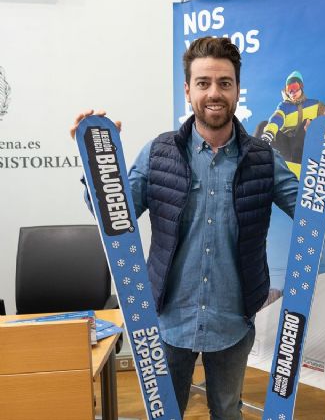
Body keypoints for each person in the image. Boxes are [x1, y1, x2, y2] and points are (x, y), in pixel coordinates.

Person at [70, 37, 298, 420]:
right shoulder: (158, 153)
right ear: (188, 90)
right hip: (167, 322)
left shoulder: (263, 159)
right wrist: (97, 164)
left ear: (237, 90)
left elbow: (313, 211)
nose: (214, 93)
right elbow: (114, 215)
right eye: (203, 83)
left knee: (227, 411)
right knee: (166, 413)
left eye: (224, 83)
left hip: (233, 321)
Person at [258, 70, 325, 163]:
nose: (292, 92)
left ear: (301, 86)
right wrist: (269, 132)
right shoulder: (285, 106)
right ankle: (255, 156)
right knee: (263, 125)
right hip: (285, 147)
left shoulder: (315, 106)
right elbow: (277, 117)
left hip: (302, 150)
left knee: (307, 123)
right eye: (289, 89)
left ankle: (301, 164)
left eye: (295, 87)